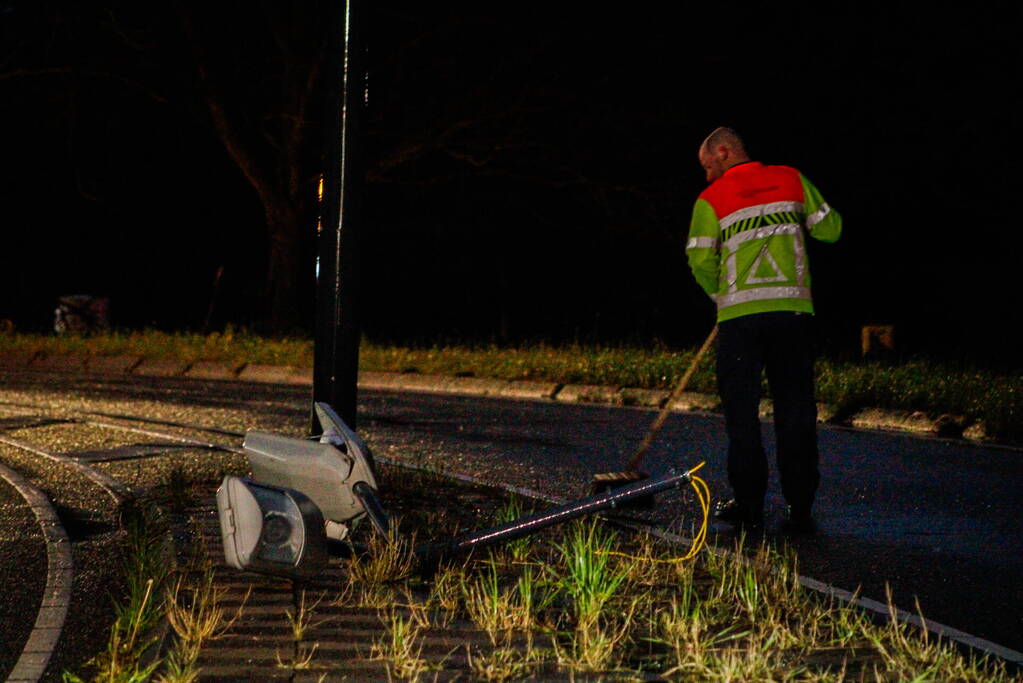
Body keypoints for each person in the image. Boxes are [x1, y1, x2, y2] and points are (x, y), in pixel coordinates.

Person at [685, 127, 841, 532]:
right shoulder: (792, 178)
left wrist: (720, 295)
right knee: (796, 413)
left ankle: (750, 505)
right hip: (793, 315)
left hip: (739, 320)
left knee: (742, 417)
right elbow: (831, 230)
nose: (706, 176)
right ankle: (801, 505)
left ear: (723, 152)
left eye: (707, 166)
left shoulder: (710, 200)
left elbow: (700, 259)